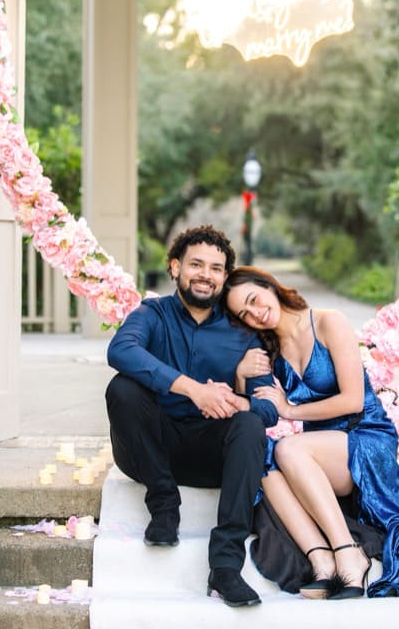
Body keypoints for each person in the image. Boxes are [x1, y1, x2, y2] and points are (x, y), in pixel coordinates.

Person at [223, 266, 399, 599]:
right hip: (322, 454)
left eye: (255, 299)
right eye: (245, 313)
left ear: (269, 286)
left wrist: (291, 410)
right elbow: (260, 410)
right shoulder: (268, 349)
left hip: (364, 436)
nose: (256, 313)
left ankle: (349, 554)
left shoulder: (329, 322)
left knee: (288, 450)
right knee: (265, 456)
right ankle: (322, 560)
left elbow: (352, 400)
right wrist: (241, 376)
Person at [106, 225, 278, 608]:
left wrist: (236, 398)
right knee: (122, 387)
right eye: (196, 264)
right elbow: (121, 350)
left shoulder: (243, 335)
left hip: (210, 456)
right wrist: (193, 388)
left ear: (223, 278)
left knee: (250, 425)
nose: (205, 274)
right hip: (150, 449)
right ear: (174, 267)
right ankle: (164, 506)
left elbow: (267, 409)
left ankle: (226, 567)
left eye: (216, 268)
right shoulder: (152, 314)